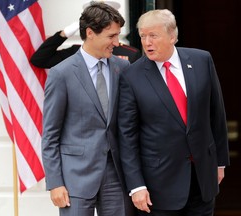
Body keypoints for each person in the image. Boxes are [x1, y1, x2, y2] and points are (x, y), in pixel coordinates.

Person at [118, 9, 230, 216]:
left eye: (153, 35)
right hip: (158, 187)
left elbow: (216, 114)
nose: (147, 42)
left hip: (202, 180)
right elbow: (127, 136)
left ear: (172, 36)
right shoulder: (131, 76)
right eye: (143, 36)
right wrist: (136, 186)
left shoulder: (201, 60)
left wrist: (220, 162)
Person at [41, 2, 135, 216]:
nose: (116, 42)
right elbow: (50, 135)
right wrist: (55, 183)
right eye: (111, 36)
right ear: (90, 33)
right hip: (75, 178)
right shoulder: (61, 74)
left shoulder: (123, 68)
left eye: (117, 35)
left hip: (116, 176)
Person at [30, 1, 142, 68]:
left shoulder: (130, 54)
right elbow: (39, 60)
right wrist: (64, 34)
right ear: (90, 31)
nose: (115, 42)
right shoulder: (75, 53)